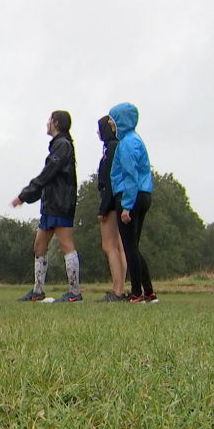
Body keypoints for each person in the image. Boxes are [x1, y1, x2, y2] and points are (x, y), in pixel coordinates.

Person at [11, 110, 82, 303]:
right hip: (50, 204)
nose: (46, 123)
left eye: (49, 120)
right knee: (39, 246)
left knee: (66, 245)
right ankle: (37, 290)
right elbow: (47, 178)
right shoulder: (58, 146)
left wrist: (23, 196)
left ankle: (74, 292)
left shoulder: (62, 145)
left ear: (56, 123)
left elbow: (47, 174)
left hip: (60, 203)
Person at [109, 102, 158, 303]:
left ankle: (137, 292)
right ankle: (148, 292)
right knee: (134, 247)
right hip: (143, 193)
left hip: (131, 195)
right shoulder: (135, 140)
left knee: (129, 248)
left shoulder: (127, 143)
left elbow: (130, 174)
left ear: (121, 120)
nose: (110, 123)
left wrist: (126, 206)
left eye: (112, 119)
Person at [95, 115, 128, 302]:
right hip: (119, 200)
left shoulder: (112, 148)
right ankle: (120, 288)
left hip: (112, 202)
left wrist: (103, 208)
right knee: (119, 246)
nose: (98, 132)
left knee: (109, 246)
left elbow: (109, 181)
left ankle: (117, 290)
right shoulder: (117, 146)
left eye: (99, 128)